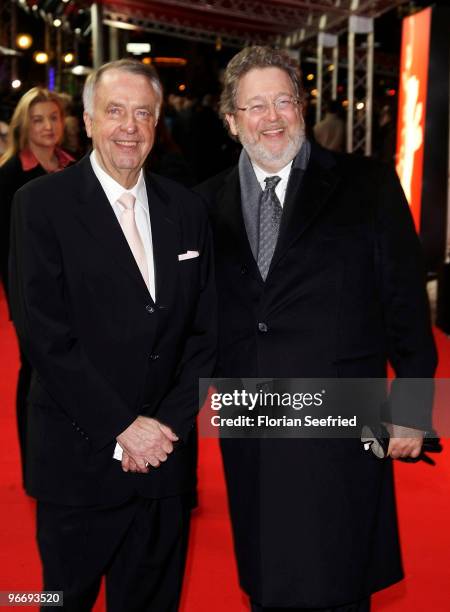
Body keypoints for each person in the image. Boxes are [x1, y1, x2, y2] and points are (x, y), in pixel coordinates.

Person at [196, 46, 437, 612]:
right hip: (250, 414)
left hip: (342, 416)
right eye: (255, 106)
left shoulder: (367, 185)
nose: (272, 117)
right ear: (231, 121)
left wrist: (414, 405)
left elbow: (405, 302)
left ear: (302, 109)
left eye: (283, 100)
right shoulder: (202, 203)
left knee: (339, 576)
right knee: (266, 577)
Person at [8, 59, 216, 612]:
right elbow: (43, 334)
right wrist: (123, 428)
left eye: (143, 113)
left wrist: (165, 427)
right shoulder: (39, 206)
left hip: (164, 465)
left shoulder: (187, 208)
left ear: (157, 122)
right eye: (115, 111)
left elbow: (205, 333)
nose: (129, 126)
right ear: (90, 121)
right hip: (78, 458)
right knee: (58, 599)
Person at [0, 87, 73, 484]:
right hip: (32, 291)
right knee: (35, 372)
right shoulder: (8, 175)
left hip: (77, 292)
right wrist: (18, 300)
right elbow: (3, 248)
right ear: (23, 125)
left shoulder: (73, 166)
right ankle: (34, 465)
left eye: (54, 118)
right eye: (38, 119)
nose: (47, 126)